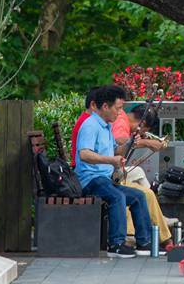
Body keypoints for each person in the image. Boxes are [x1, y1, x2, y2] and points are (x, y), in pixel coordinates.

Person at [74, 85, 152, 259]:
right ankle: (116, 244)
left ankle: (144, 242)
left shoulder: (106, 127)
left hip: (104, 179)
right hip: (90, 180)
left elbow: (117, 152)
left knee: (138, 196)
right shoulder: (90, 125)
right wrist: (111, 161)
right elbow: (84, 154)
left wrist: (130, 143)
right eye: (117, 108)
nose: (120, 112)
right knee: (118, 197)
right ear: (105, 107)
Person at [113, 104, 178, 250]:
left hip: (112, 169)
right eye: (144, 130)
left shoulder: (121, 116)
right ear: (141, 124)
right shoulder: (121, 120)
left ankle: (158, 217)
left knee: (139, 173)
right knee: (144, 193)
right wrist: (147, 142)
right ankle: (160, 232)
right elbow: (120, 140)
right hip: (109, 172)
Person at [69, 86, 101, 167]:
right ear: (93, 105)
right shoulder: (88, 123)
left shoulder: (88, 119)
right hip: (84, 170)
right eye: (104, 105)